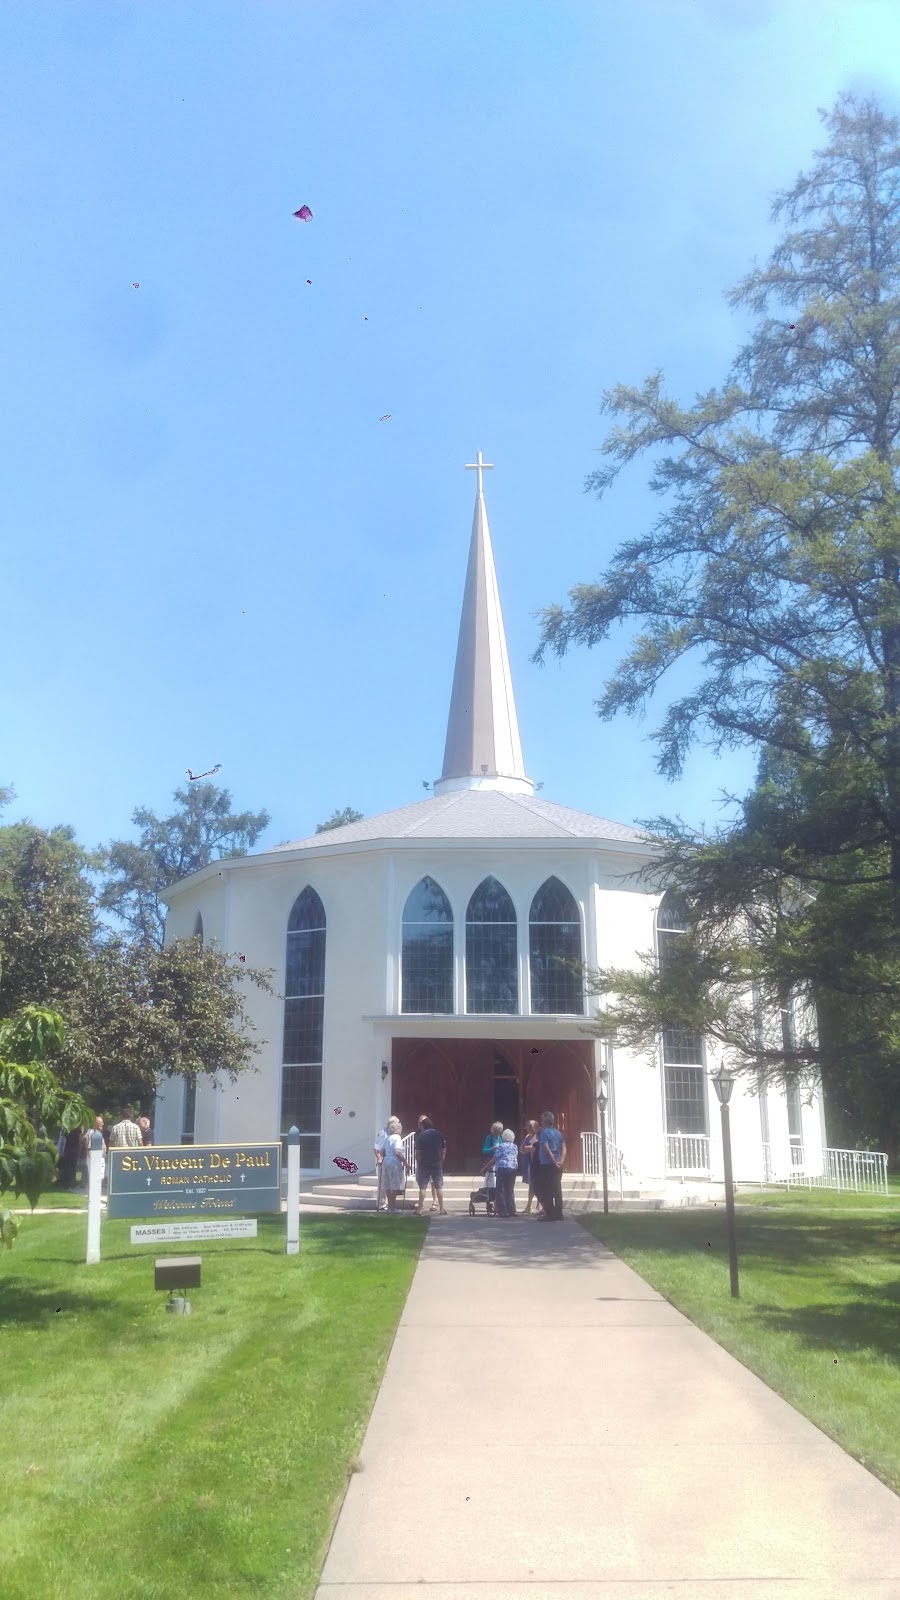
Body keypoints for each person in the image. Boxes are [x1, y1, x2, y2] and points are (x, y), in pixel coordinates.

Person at [536, 1111, 567, 1221]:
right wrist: (561, 1161)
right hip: (558, 1164)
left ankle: (549, 1214)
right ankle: (559, 1213)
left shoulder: (544, 1133)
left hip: (547, 1164)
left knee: (547, 1189)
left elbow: (546, 1149)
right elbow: (563, 1148)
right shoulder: (558, 1133)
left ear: (544, 1122)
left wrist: (553, 1162)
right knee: (557, 1189)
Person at [414, 1115, 447, 1215]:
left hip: (424, 1164)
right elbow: (444, 1150)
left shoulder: (421, 1136)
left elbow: (418, 1153)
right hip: (436, 1163)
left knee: (422, 1188)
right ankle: (441, 1209)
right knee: (439, 1187)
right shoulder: (439, 1134)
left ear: (423, 1126)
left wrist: (419, 1163)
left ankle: (419, 1209)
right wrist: (441, 1160)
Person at [484, 1127, 519, 1216]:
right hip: (513, 1169)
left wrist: (485, 1167)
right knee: (510, 1190)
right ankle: (512, 1209)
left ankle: (503, 1210)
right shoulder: (515, 1147)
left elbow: (495, 1158)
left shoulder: (501, 1146)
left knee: (501, 1190)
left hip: (503, 1168)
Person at [381, 1116, 411, 1212]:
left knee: (388, 1185)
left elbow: (382, 1151)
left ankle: (389, 1207)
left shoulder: (387, 1138)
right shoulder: (397, 1138)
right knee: (394, 1185)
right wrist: (406, 1163)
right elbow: (397, 1151)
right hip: (394, 1162)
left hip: (385, 1161)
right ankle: (392, 1207)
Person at [520, 1120, 543, 1216]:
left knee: (536, 1184)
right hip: (528, 1161)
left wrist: (528, 1149)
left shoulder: (537, 1136)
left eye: (529, 1127)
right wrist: (525, 1149)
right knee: (531, 1184)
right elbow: (521, 1148)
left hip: (535, 1162)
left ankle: (538, 1205)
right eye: (527, 1127)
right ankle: (530, 1205)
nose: (527, 1129)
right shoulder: (527, 1137)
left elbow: (536, 1148)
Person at [481, 1121, 502, 1212]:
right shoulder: (489, 1138)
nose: (498, 1133)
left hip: (498, 1163)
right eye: (496, 1131)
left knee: (497, 1183)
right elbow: (484, 1150)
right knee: (490, 1183)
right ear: (493, 1130)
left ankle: (497, 1204)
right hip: (490, 1163)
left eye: (499, 1131)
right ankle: (488, 1203)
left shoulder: (500, 1138)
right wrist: (493, 1149)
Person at [81, 1116, 106, 1188]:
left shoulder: (96, 1132)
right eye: (101, 1122)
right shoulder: (93, 1133)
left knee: (98, 1177)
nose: (103, 1124)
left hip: (98, 1158)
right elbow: (89, 1148)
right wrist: (92, 1160)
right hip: (95, 1159)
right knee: (96, 1177)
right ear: (95, 1123)